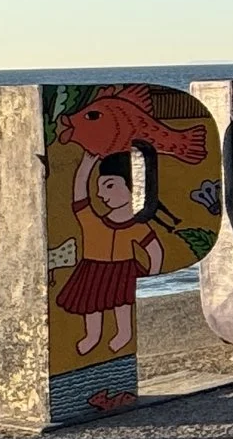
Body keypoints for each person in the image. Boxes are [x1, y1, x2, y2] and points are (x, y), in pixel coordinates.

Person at [58, 149, 163, 357]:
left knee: (122, 303)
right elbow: (80, 200)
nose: (101, 195)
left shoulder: (136, 226)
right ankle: (93, 336)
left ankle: (123, 334)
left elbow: (154, 249)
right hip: (93, 270)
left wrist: (153, 274)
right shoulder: (93, 222)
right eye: (100, 188)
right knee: (91, 304)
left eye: (110, 186)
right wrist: (85, 167)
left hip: (123, 269)